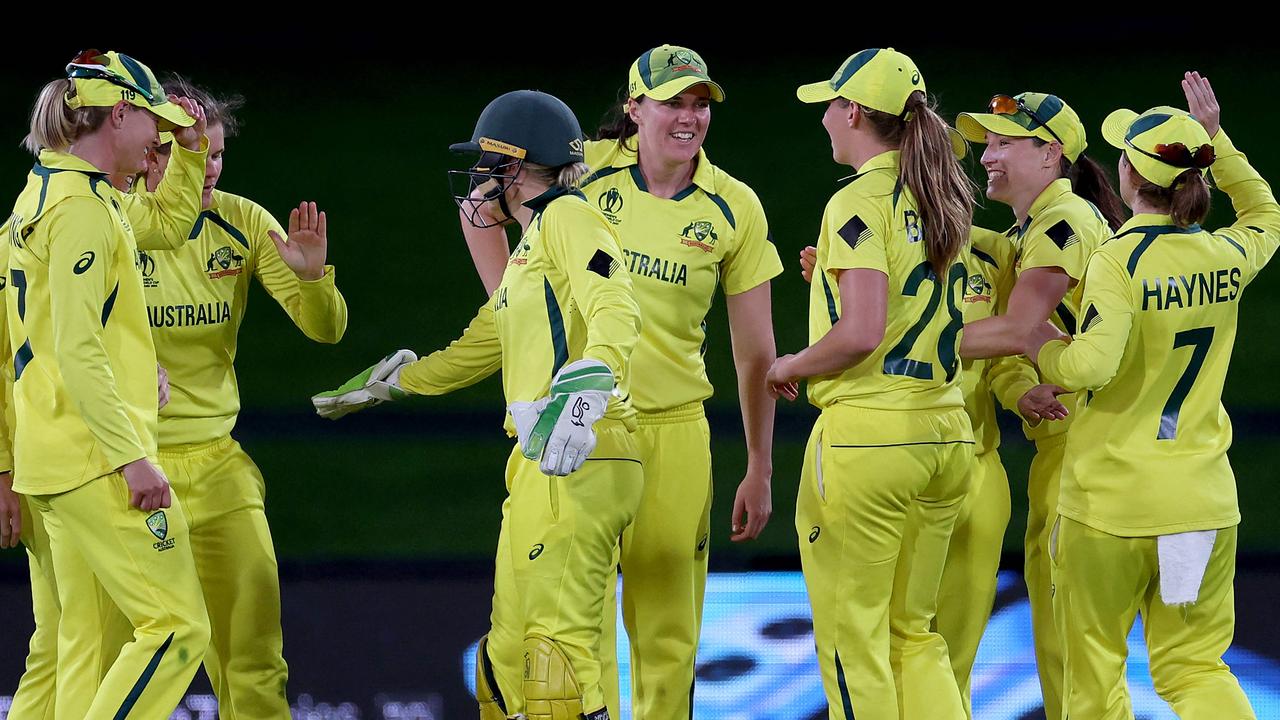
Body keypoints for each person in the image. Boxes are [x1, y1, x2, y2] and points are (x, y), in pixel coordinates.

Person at [458, 44, 784, 719]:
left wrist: (759, 465)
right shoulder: (582, 175)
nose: (688, 117)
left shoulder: (734, 208)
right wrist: (515, 309)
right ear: (634, 109)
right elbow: (478, 206)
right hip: (586, 427)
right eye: (671, 102)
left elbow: (755, 352)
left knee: (669, 632)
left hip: (676, 435)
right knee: (581, 620)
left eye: (699, 104)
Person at [313, 89, 643, 720]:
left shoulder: (571, 217)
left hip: (581, 451)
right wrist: (394, 384)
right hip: (535, 459)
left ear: (516, 166)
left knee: (558, 666)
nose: (478, 178)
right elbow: (482, 344)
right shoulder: (530, 248)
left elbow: (615, 306)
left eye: (487, 162)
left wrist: (584, 394)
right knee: (505, 665)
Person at [1026, 72, 1271, 720]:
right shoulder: (1225, 255)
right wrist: (1219, 140)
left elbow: (1089, 364)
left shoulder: (1120, 258)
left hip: (1110, 509)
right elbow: (1266, 214)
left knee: (1095, 673)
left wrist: (1040, 345)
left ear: (1131, 180)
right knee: (1194, 670)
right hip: (1198, 508)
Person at [767, 47, 976, 719]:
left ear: (854, 112)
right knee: (914, 635)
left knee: (850, 640)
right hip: (946, 433)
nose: (825, 118)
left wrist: (790, 365)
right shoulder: (939, 193)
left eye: (830, 105)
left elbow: (861, 332)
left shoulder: (858, 200)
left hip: (870, 441)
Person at [5, 48, 211, 718]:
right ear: (117, 114)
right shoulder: (83, 211)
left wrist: (186, 150)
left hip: (52, 456)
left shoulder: (40, 195)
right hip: (98, 459)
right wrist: (131, 456)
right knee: (179, 630)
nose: (157, 134)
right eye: (149, 119)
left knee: (83, 647)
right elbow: (75, 344)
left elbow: (42, 337)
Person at [137, 74, 347, 718]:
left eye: (217, 152)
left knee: (255, 658)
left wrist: (312, 280)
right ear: (149, 152)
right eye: (187, 151)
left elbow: (326, 329)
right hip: (131, 468)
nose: (206, 169)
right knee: (144, 657)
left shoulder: (240, 219)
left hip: (220, 468)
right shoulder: (112, 221)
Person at [954, 90, 1125, 719]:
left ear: (1049, 154)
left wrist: (883, 343)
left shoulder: (1062, 224)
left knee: (1072, 647)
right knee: (1067, 644)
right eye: (987, 143)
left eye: (1003, 143)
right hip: (1074, 445)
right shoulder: (1032, 230)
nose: (988, 156)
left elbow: (1019, 328)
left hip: (1083, 452)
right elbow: (1012, 346)